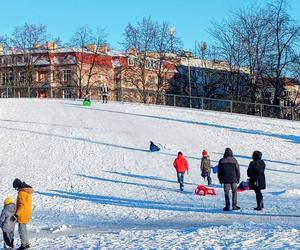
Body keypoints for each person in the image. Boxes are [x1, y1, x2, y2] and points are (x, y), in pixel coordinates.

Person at [12, 178, 33, 250]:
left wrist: (16, 214)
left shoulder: (22, 192)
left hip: (23, 214)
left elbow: (22, 205)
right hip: (26, 213)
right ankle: (26, 243)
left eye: (15, 188)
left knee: (21, 230)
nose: (16, 189)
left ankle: (24, 245)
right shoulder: (26, 190)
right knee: (24, 229)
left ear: (17, 186)